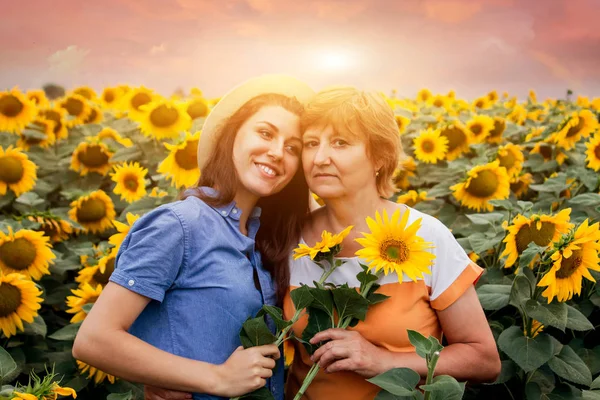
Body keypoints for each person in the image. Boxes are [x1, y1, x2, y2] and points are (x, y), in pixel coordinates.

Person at [146, 86, 501, 400]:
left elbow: (483, 359)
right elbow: (215, 307)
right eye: (312, 144)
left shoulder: (425, 235)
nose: (319, 158)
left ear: (379, 157)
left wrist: (384, 361)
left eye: (341, 143)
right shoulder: (284, 237)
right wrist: (177, 376)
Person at [72, 75, 315, 400]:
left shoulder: (263, 239)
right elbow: (94, 340)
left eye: (292, 148)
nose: (276, 152)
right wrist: (215, 378)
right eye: (265, 133)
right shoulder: (180, 224)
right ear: (232, 136)